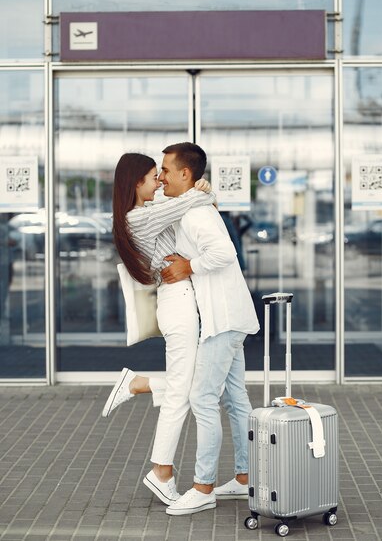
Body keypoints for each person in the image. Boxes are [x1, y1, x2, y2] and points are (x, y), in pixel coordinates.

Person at [101, 152, 216, 506]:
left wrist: (198, 190)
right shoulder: (140, 218)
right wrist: (202, 188)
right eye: (155, 176)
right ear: (137, 182)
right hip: (178, 301)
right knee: (184, 393)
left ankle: (141, 384)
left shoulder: (138, 216)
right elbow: (197, 199)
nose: (160, 181)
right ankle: (161, 472)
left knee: (195, 387)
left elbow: (187, 201)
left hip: (178, 300)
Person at [158, 142, 259, 516]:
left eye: (166, 169)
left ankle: (203, 488)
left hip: (222, 320)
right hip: (231, 317)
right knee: (235, 400)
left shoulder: (196, 214)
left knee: (202, 398)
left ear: (186, 174)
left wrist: (189, 267)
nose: (160, 175)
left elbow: (225, 253)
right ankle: (246, 478)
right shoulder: (195, 206)